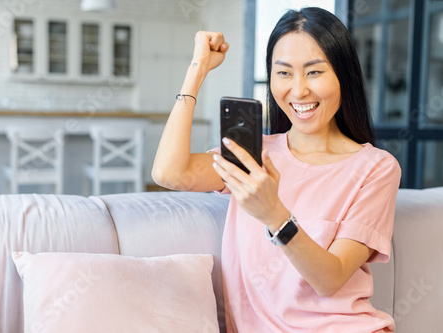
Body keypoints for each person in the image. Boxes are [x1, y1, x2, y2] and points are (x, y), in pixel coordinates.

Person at [152, 7, 401, 333]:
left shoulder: (375, 168)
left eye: (314, 72)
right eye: (283, 73)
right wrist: (197, 70)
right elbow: (169, 173)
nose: (298, 91)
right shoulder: (253, 154)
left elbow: (330, 278)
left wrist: (274, 215)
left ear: (344, 75)